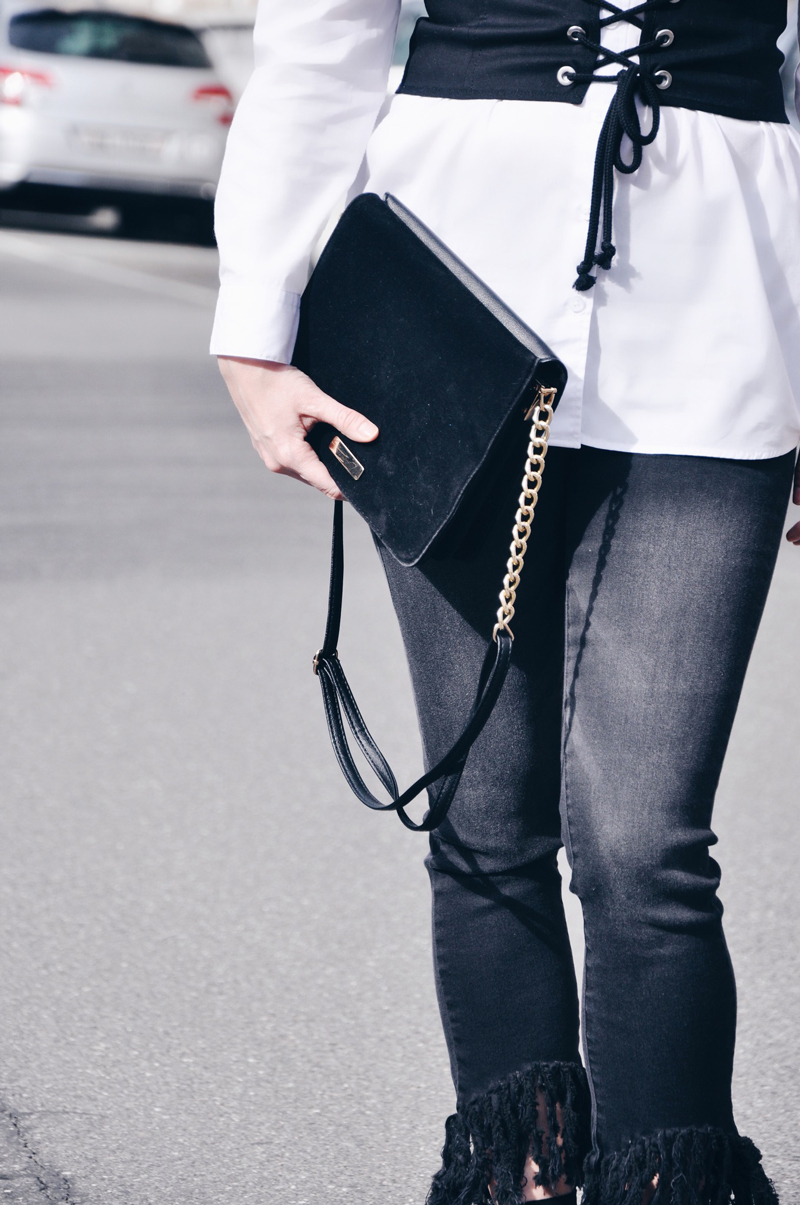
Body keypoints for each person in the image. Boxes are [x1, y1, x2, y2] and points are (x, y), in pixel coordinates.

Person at [211, 2, 800, 1202]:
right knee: (482, 818)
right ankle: (516, 1179)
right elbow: (319, 42)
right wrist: (255, 332)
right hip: (445, 287)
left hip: (723, 305)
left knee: (645, 844)